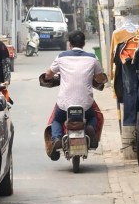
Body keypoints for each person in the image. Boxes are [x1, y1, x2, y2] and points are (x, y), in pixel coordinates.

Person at [39, 30, 107, 160]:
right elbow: (99, 78)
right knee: (92, 117)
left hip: (64, 104)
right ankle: (90, 128)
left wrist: (52, 76)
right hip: (85, 105)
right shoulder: (92, 58)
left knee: (57, 120)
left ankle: (57, 138)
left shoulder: (61, 57)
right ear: (84, 43)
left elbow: (48, 75)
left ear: (69, 44)